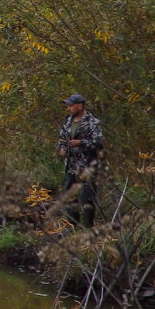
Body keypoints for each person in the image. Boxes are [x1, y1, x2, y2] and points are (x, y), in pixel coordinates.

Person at [57, 93, 104, 227]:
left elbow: (99, 143)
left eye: (71, 105)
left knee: (86, 198)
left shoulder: (93, 122)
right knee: (70, 197)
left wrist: (81, 143)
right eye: (67, 106)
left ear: (80, 106)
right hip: (71, 166)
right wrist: (62, 149)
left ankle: (88, 228)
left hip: (87, 166)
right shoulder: (68, 121)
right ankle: (72, 226)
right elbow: (62, 140)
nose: (68, 108)